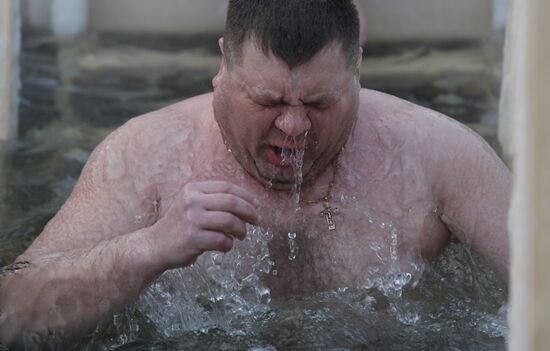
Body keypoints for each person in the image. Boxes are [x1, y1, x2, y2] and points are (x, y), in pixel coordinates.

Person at [0, 0, 511, 348]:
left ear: (357, 68)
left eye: (319, 101)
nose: (293, 125)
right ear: (224, 64)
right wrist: (147, 249)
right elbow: (10, 316)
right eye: (267, 100)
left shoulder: (435, 155)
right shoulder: (145, 157)